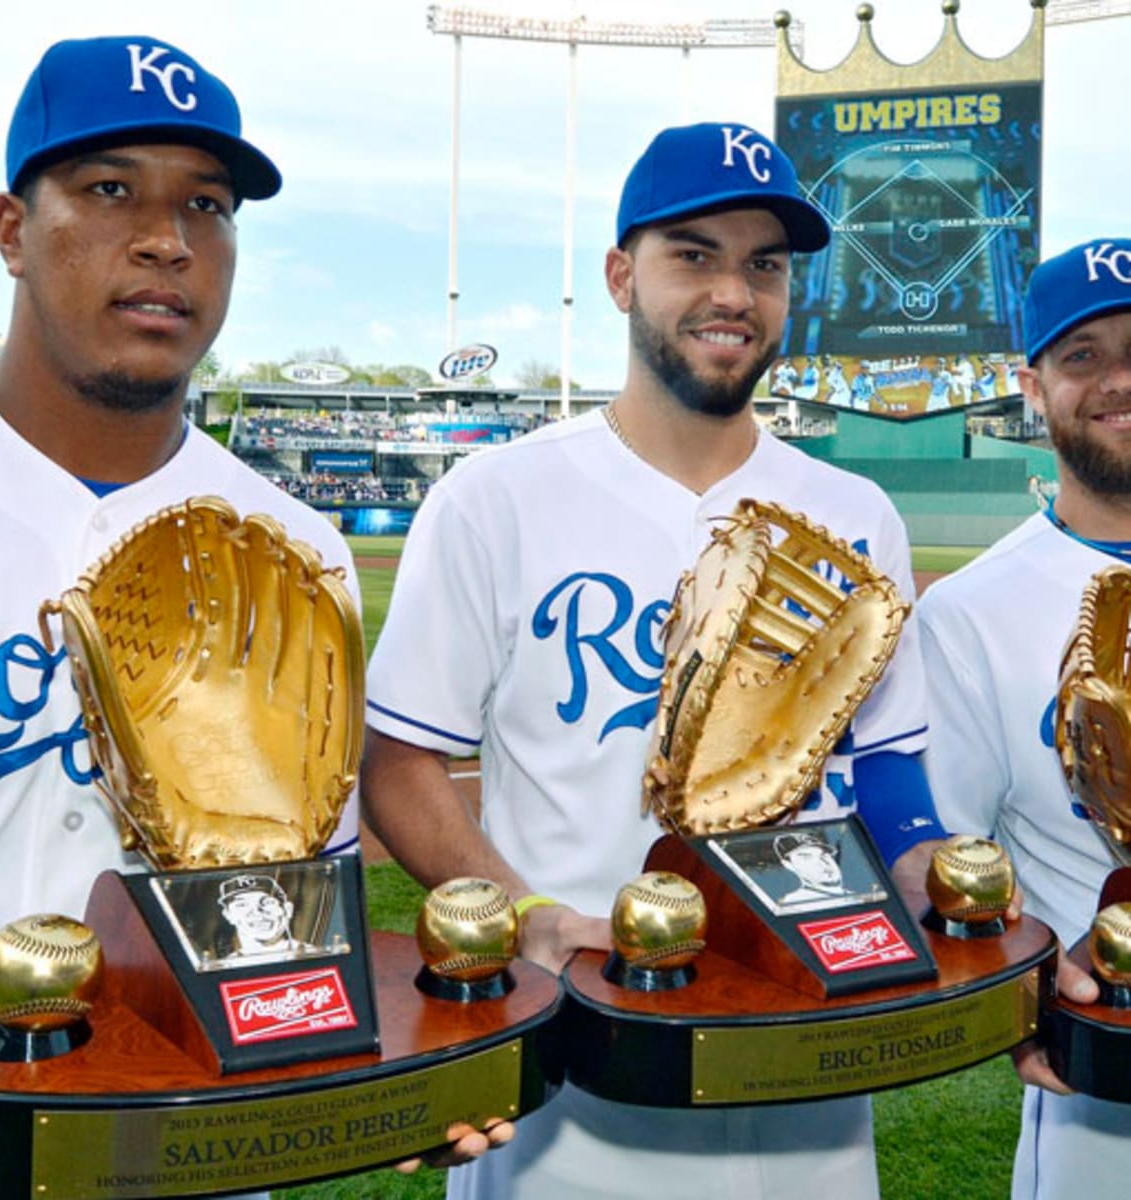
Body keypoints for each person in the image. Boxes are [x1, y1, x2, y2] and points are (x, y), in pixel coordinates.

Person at [362, 121, 946, 1200]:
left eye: (764, 265)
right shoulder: (496, 498)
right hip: (576, 1042)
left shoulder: (857, 513)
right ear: (622, 276)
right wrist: (525, 913)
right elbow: (399, 768)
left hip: (806, 1038)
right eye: (695, 255)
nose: (734, 291)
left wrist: (924, 869)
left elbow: (891, 758)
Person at [0, 35, 367, 1030]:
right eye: (110, 189)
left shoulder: (296, 552)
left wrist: (374, 1084)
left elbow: (298, 923)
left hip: (196, 1144)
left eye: (206, 206)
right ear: (11, 231)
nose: (168, 239)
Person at [918, 237, 1131, 1200]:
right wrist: (1024, 982)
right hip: (1105, 1086)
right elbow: (954, 867)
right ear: (1032, 386)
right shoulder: (971, 611)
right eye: (1082, 354)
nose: (1118, 380)